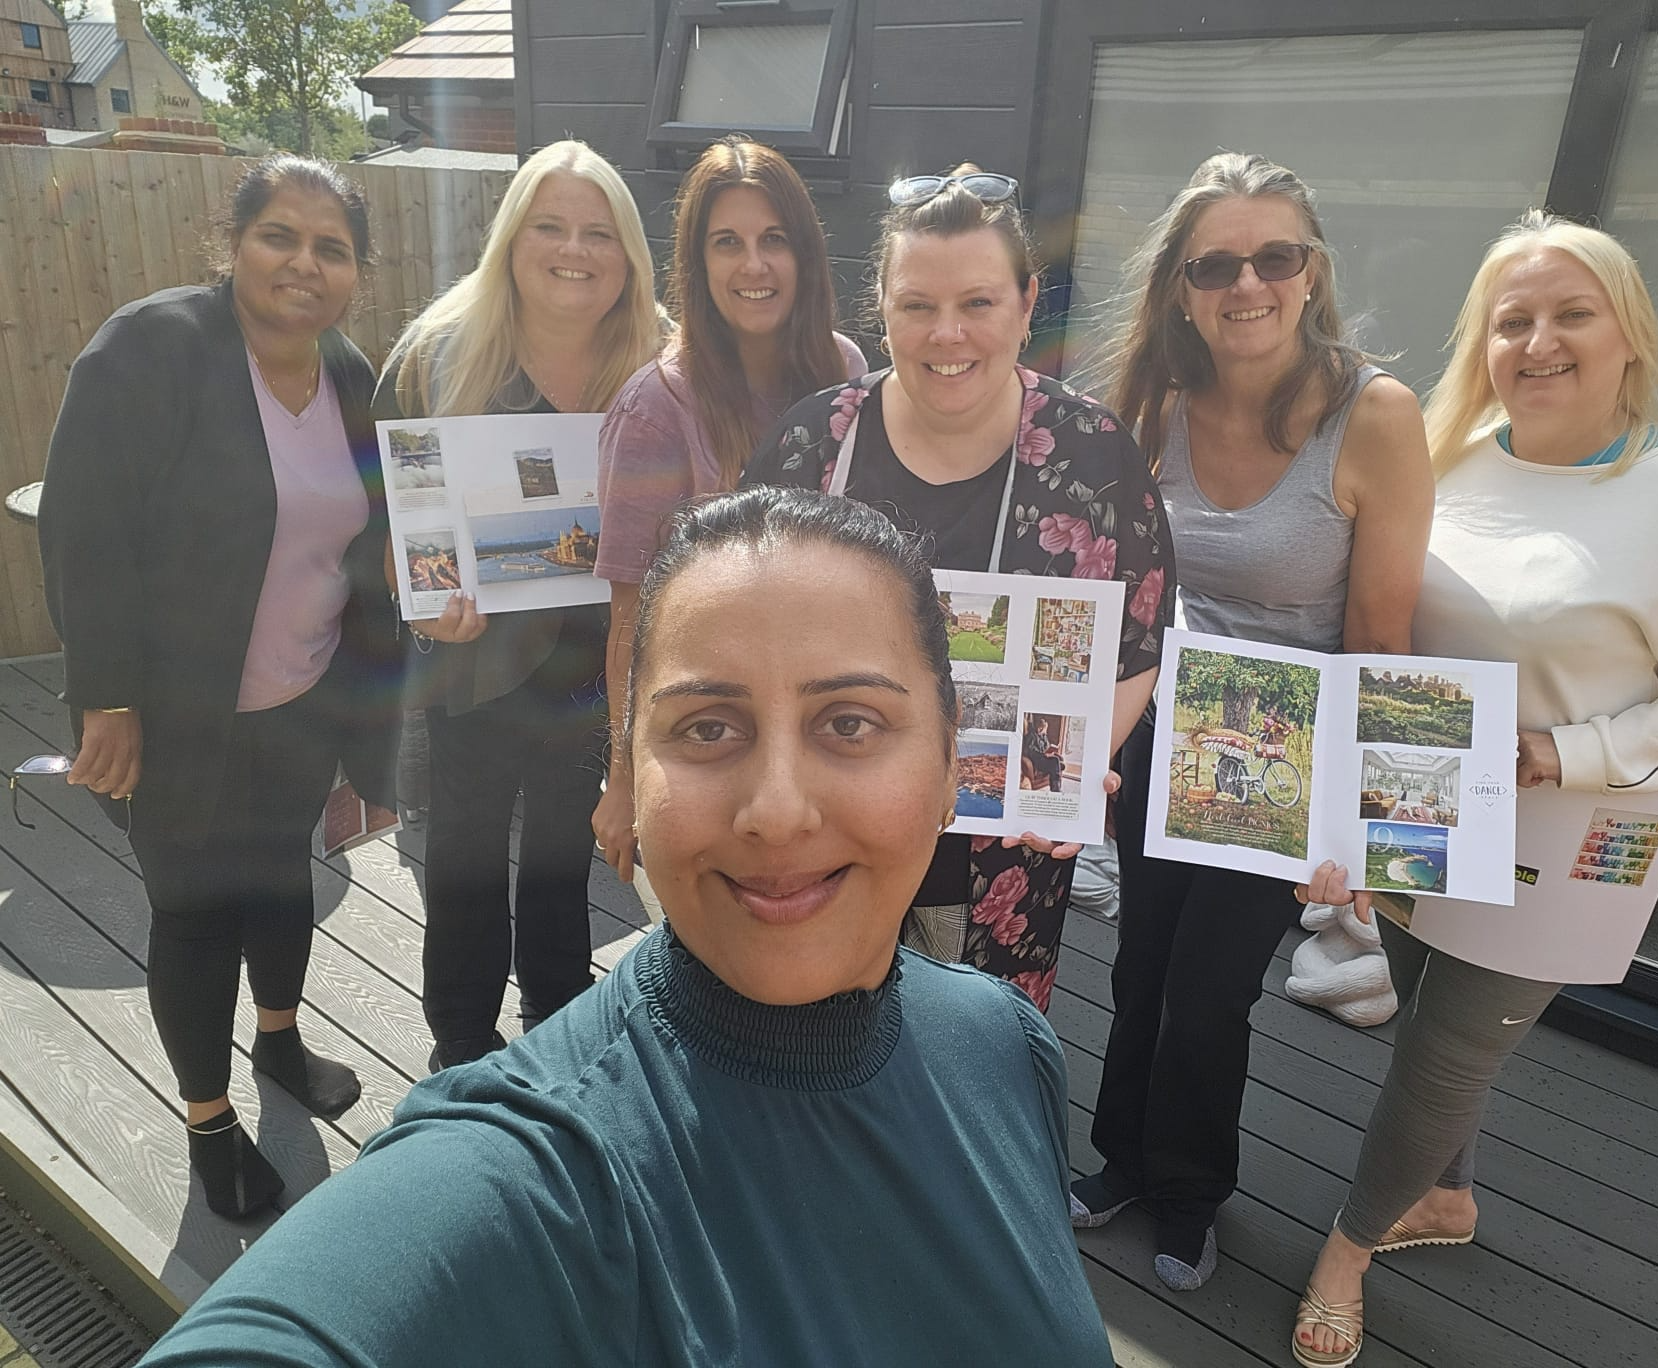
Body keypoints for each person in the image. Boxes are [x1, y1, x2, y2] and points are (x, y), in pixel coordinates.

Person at [133, 488, 1116, 1368]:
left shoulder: (1007, 1047)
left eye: (850, 723)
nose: (776, 811)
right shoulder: (533, 1170)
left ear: (953, 766)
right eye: (706, 728)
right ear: (631, 778)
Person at [1290, 213, 1658, 1367]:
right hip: (1424, 802)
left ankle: (1345, 1255)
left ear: (1629, 334)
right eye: (1512, 319)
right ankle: (1446, 1199)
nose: (1539, 342)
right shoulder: (1448, 449)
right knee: (1419, 1006)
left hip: (1569, 838)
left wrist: (1570, 753)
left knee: (1445, 1058)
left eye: (1572, 314)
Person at [1069, 151, 1434, 1291]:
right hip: (1161, 727)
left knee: (1207, 994)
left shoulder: (1375, 415)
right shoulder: (1149, 399)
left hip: (1283, 747)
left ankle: (1189, 1190)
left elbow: (1380, 634)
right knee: (1141, 967)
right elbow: (1105, 581)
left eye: (1274, 256)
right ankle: (1120, 1157)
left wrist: (1370, 831)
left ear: (1311, 270)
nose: (1247, 284)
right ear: (1180, 287)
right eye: (1214, 263)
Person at [36, 156, 402, 1219]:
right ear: (232, 246)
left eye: (331, 247)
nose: (304, 263)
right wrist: (106, 698)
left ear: (356, 274)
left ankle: (280, 1041)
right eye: (279, 235)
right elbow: (84, 534)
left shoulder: (350, 377)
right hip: (170, 713)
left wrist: (371, 737)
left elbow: (374, 552)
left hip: (304, 698)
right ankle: (208, 1121)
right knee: (195, 912)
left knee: (281, 878)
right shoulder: (152, 350)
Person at [743, 168, 1175, 1013]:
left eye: (977, 303)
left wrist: (1071, 768)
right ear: (883, 305)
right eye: (917, 305)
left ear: (1026, 302)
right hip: (822, 826)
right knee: (805, 1031)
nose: (947, 335)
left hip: (1003, 847)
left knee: (977, 1056)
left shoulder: (1094, 452)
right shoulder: (808, 444)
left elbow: (1138, 637)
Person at [376, 140, 665, 1072]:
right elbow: (385, 512)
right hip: (472, 654)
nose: (573, 250)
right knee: (460, 853)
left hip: (598, 656)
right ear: (511, 236)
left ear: (627, 254)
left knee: (560, 850)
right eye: (550, 225)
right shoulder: (435, 353)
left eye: (598, 232)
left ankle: (555, 1011)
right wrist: (417, 601)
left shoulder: (656, 361)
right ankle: (458, 1037)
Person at [590, 136, 867, 887]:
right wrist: (623, 778)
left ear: (805, 255)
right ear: (697, 263)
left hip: (830, 715)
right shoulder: (654, 408)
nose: (754, 265)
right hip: (713, 731)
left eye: (774, 239)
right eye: (727, 243)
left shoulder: (845, 370)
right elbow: (627, 618)